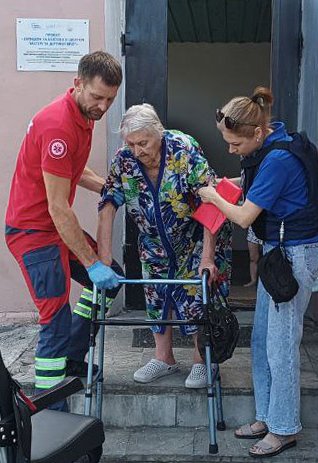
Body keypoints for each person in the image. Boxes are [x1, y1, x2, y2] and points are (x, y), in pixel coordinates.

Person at [199, 87, 318, 457]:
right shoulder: (269, 145)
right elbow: (258, 187)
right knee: (262, 340)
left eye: (235, 144)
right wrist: (230, 183)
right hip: (278, 254)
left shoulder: (278, 159)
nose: (231, 150)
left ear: (256, 132)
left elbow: (243, 217)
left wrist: (214, 197)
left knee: (281, 347)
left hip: (293, 257)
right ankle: (268, 417)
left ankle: (284, 429)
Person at [4, 51, 124, 408]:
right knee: (55, 318)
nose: (103, 107)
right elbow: (58, 207)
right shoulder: (59, 125)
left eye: (110, 100)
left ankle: (72, 359)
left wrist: (109, 188)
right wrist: (91, 263)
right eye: (97, 97)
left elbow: (75, 168)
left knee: (110, 280)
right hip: (33, 233)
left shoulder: (83, 116)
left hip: (54, 228)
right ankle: (51, 410)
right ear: (77, 84)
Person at [97, 104, 231, 388]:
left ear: (159, 133)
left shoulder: (184, 149)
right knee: (156, 296)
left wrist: (208, 257)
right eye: (131, 143)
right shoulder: (124, 160)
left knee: (197, 294)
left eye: (143, 143)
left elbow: (210, 200)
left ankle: (202, 360)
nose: (137, 151)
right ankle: (163, 358)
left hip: (196, 236)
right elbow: (108, 203)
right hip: (154, 242)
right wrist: (104, 257)